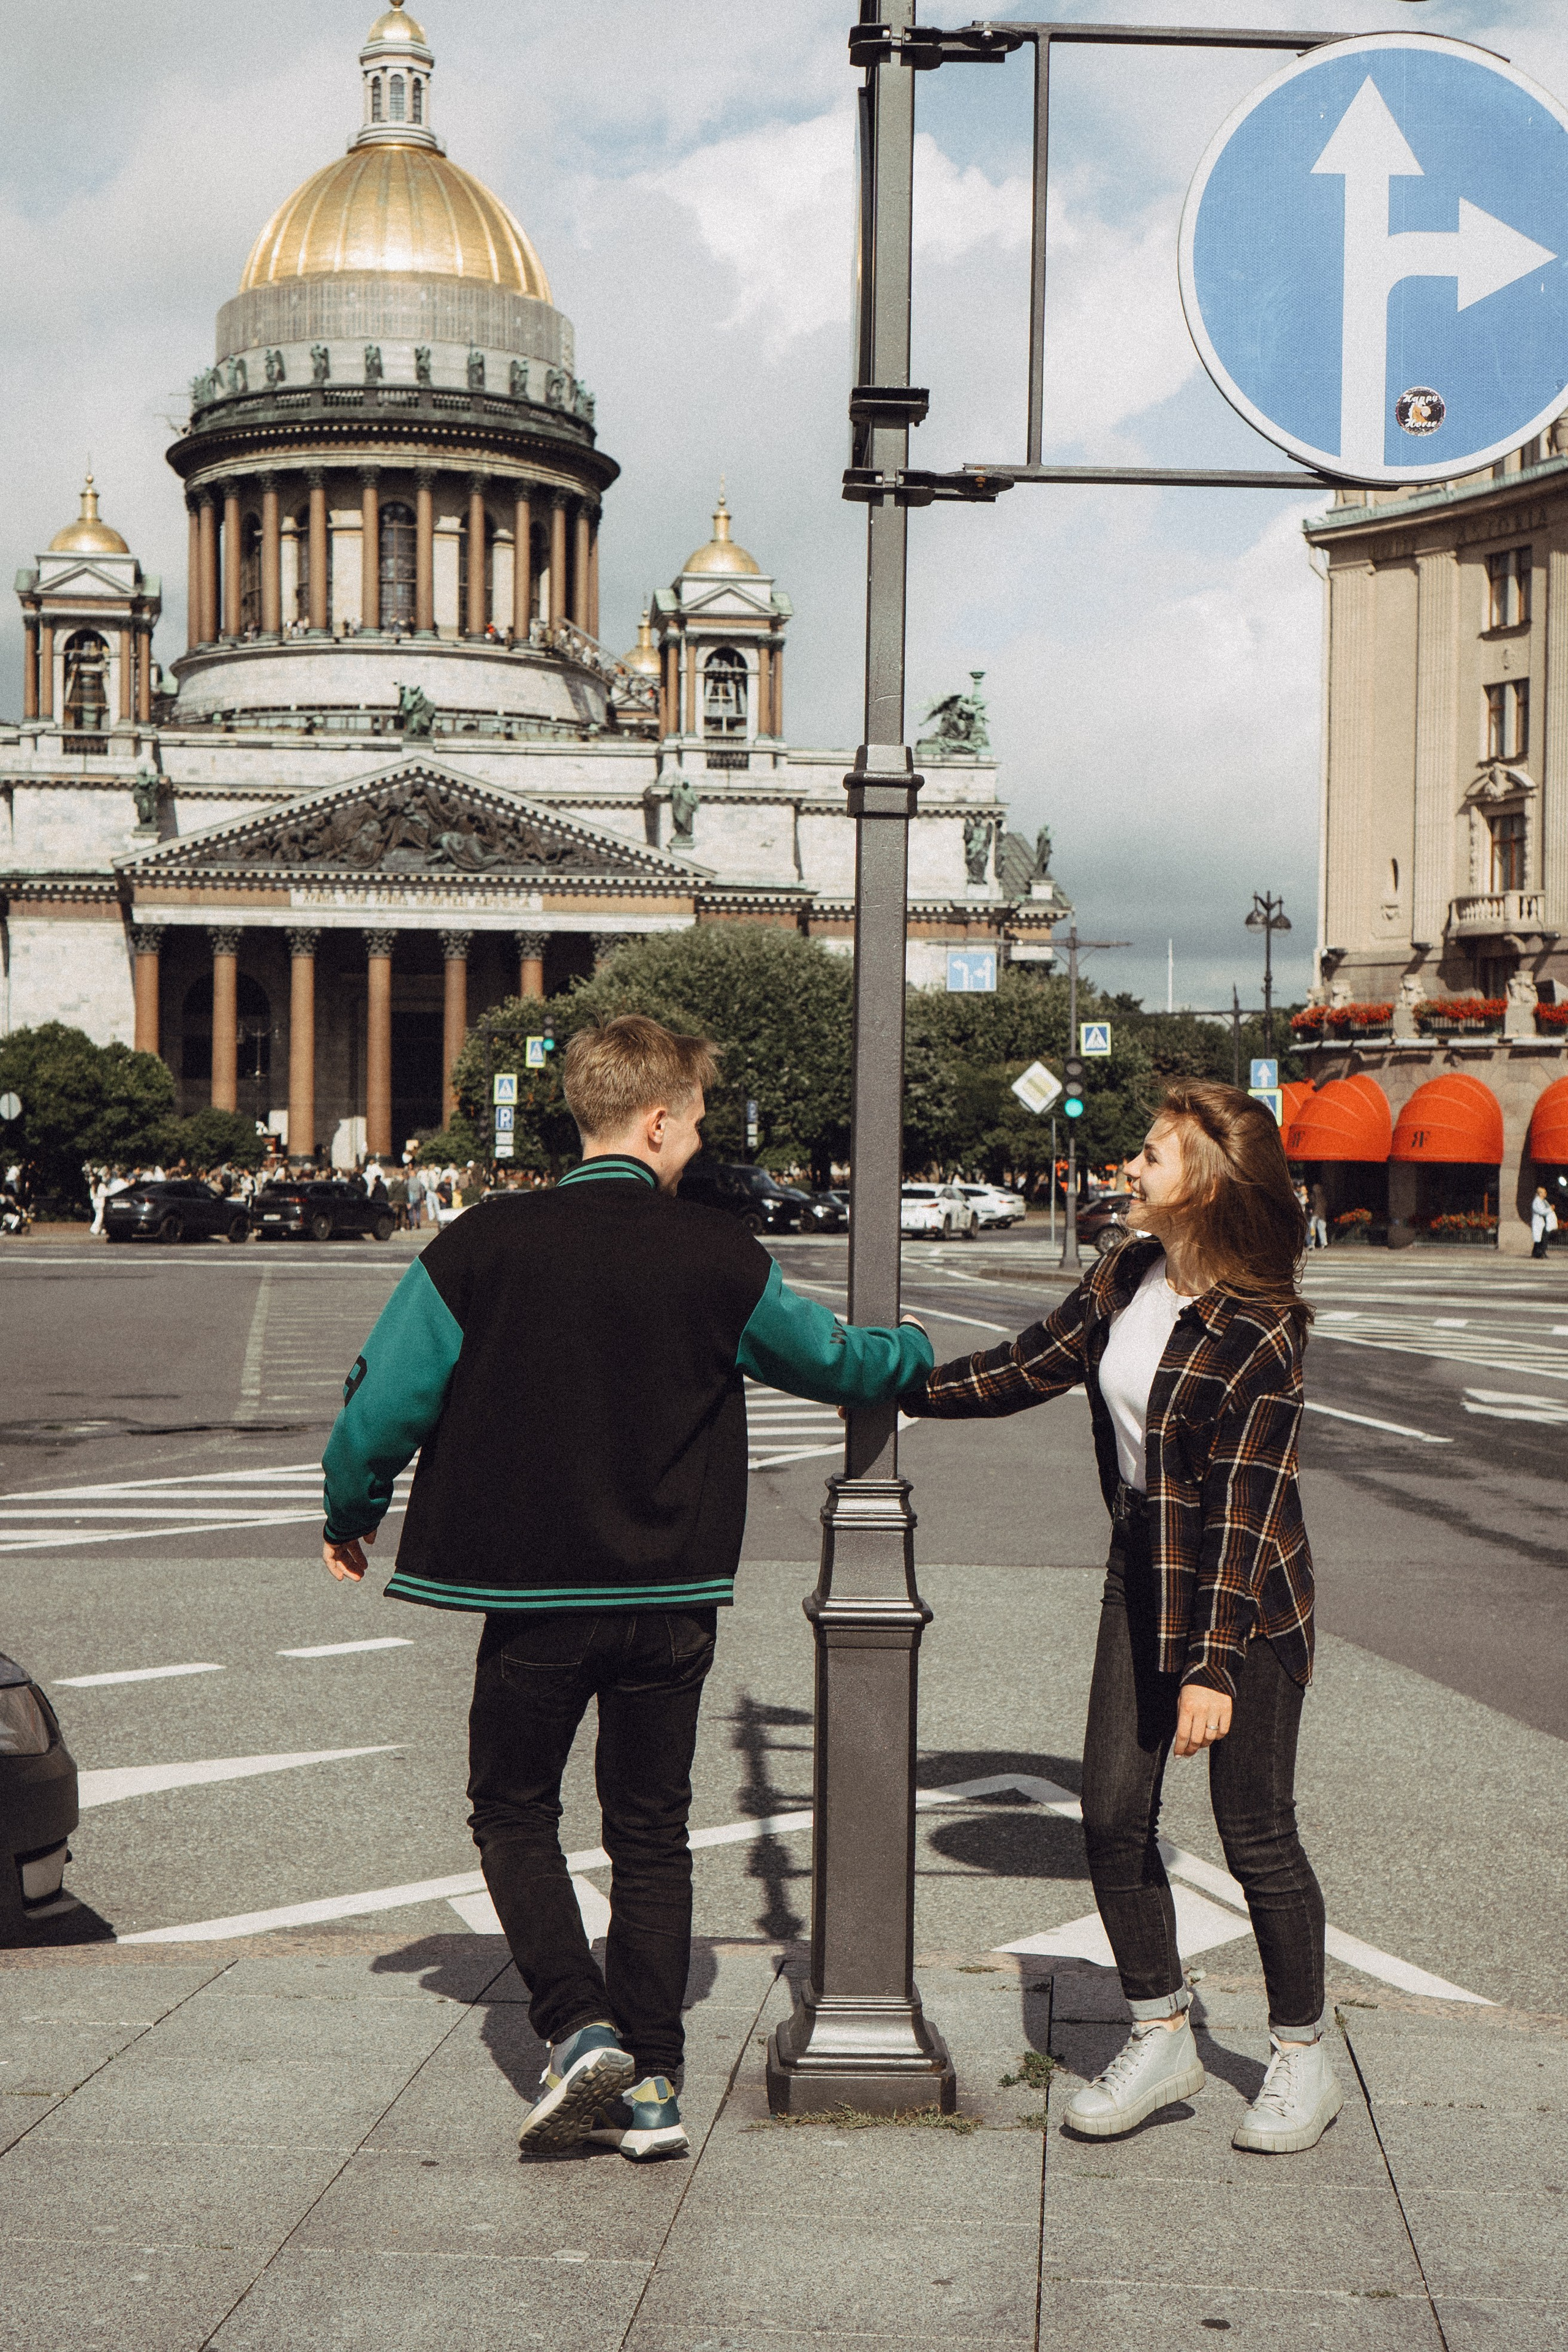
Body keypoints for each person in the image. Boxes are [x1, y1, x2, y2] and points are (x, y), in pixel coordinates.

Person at [318, 1015, 932, 2163]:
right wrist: (913, 1352)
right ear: (656, 1121)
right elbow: (835, 1361)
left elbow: (382, 1407)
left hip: (535, 1598)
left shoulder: (482, 1244)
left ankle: (576, 2022)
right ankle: (653, 2088)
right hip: (670, 1596)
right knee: (650, 1830)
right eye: (695, 1122)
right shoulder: (717, 1254)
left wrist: (349, 1513)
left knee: (513, 1810)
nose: (699, 1142)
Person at [903, 1080, 1341, 2155]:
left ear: (1206, 1184)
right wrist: (898, 1384)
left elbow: (1243, 1516)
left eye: (1152, 1155)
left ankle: (1301, 2056)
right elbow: (1025, 1367)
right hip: (1140, 1571)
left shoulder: (1261, 1331)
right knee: (1108, 1815)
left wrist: (1213, 1669)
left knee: (1257, 1833)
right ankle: (1162, 2032)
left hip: (1246, 1602)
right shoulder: (1127, 1271)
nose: (1130, 1169)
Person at [1531, 1183, 1558, 1259]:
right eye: (1544, 1192)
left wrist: (1550, 1208)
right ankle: (1538, 1254)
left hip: (1545, 1223)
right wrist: (1550, 1209)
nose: (1546, 1194)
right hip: (1539, 1223)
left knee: (1542, 1238)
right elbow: (1541, 1211)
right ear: (1540, 1193)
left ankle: (1540, 1253)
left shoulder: (1544, 1201)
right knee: (1540, 1239)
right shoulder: (1537, 1201)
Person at [1308, 1178, 1329, 1252]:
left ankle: (1311, 1244)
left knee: (1312, 1228)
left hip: (1315, 1214)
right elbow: (1326, 1205)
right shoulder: (1323, 1197)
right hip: (1322, 1214)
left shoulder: (1313, 1196)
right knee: (1322, 1228)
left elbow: (1312, 1203)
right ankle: (1324, 1243)